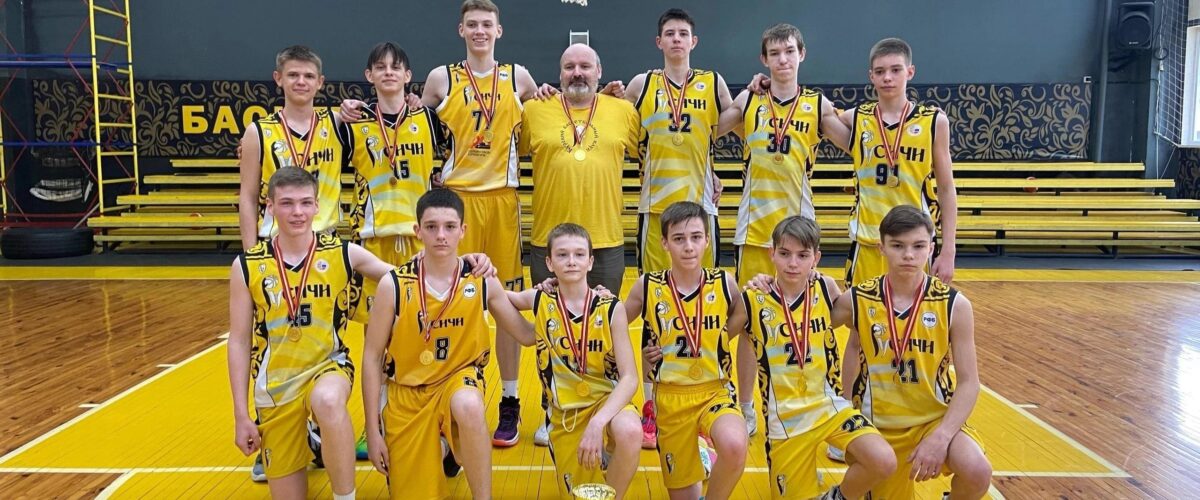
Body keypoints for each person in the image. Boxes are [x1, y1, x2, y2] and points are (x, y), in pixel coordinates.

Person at [717, 23, 851, 442]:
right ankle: (745, 407)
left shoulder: (816, 105)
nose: (783, 60)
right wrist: (742, 92)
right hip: (754, 231)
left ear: (801, 54)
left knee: (806, 321)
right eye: (774, 53)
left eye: (789, 51)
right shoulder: (750, 102)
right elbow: (709, 129)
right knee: (747, 323)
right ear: (764, 59)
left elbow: (856, 143)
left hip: (798, 235)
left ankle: (807, 402)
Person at [228, 167, 393, 499]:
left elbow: (406, 277)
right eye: (287, 203)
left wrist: (467, 264)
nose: (297, 212)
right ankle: (313, 440)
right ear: (270, 207)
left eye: (305, 203)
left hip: (327, 366)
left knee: (328, 401)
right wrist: (241, 415)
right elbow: (240, 341)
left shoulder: (342, 253)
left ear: (318, 205)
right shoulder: (247, 265)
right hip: (276, 386)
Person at [360, 188, 533, 500]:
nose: (441, 235)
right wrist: (372, 431)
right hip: (407, 394)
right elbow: (372, 358)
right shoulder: (393, 284)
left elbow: (526, 334)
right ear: (418, 231)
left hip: (457, 380)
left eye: (450, 227)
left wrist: (565, 300)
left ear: (463, 230)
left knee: (469, 404)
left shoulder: (481, 279)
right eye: (431, 227)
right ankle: (445, 448)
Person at [617, 8, 740, 444]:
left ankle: (709, 393)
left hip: (701, 211)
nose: (676, 39)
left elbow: (732, 122)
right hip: (655, 211)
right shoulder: (641, 85)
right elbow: (619, 124)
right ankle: (653, 402)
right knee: (656, 307)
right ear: (659, 42)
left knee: (707, 304)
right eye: (669, 33)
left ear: (693, 41)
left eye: (683, 33)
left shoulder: (714, 83)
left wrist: (756, 89)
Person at [729, 216, 895, 499]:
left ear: (816, 258)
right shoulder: (753, 299)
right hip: (786, 423)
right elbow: (715, 341)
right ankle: (803, 474)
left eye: (803, 255)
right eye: (784, 254)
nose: (793, 263)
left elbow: (862, 328)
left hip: (828, 408)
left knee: (883, 460)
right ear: (771, 253)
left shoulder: (826, 289)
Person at [834, 205, 991, 499]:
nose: (908, 255)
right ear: (881, 248)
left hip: (933, 421)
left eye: (918, 246)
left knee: (977, 470)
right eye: (898, 246)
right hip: (878, 426)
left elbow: (969, 382)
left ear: (931, 248)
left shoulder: (954, 305)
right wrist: (767, 283)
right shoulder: (857, 299)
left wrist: (942, 436)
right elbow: (805, 311)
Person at [503, 223, 641, 499]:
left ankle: (611, 485)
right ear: (549, 263)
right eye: (562, 255)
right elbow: (500, 296)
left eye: (579, 254)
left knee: (630, 430)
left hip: (604, 404)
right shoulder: (540, 300)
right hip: (565, 415)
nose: (571, 261)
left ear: (590, 262)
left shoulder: (610, 307)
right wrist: (474, 267)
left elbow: (629, 378)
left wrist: (598, 423)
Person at [622, 201, 748, 500]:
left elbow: (743, 313)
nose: (688, 246)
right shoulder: (647, 286)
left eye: (696, 237)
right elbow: (612, 324)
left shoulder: (724, 282)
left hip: (714, 391)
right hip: (670, 398)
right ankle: (701, 456)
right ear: (664, 243)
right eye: (679, 238)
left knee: (734, 444)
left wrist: (716, 339)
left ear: (707, 240)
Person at [519, 43, 639, 296]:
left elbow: (652, 155)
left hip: (605, 240)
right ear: (560, 73)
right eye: (569, 67)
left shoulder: (624, 111)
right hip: (549, 240)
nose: (577, 73)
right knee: (552, 318)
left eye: (585, 66)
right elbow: (506, 157)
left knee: (603, 317)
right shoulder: (534, 109)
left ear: (599, 71)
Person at [842, 38, 958, 288]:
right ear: (871, 76)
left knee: (914, 313)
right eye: (880, 71)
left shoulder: (933, 122)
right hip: (868, 243)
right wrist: (763, 84)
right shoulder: (857, 118)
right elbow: (812, 113)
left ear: (910, 72)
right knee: (860, 313)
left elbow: (946, 188)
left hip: (914, 246)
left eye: (896, 70)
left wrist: (949, 249)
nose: (887, 78)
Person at [238, 46, 346, 251]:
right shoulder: (257, 132)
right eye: (293, 75)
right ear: (278, 78)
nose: (301, 82)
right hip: (275, 243)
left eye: (309, 76)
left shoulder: (337, 123)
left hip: (326, 242)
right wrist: (250, 254)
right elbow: (248, 198)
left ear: (320, 82)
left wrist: (411, 100)